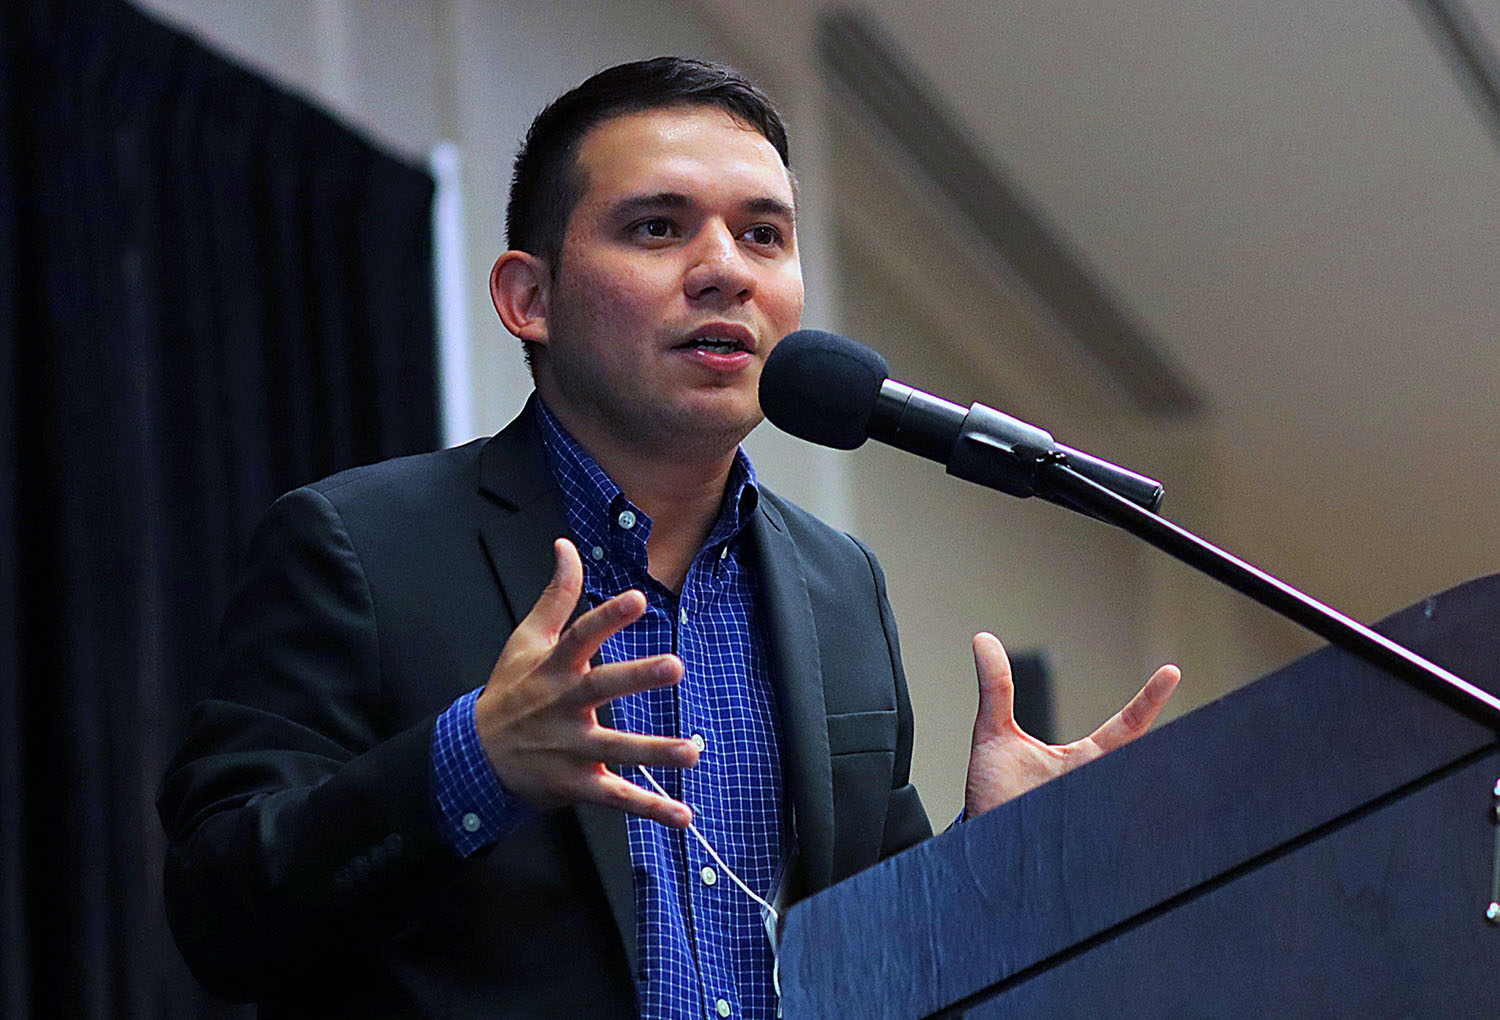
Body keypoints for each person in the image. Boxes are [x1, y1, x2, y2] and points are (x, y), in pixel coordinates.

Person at [158, 57, 1179, 1019]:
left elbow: (875, 959)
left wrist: (992, 861)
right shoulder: (360, 547)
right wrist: (473, 762)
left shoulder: (838, 586)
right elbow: (222, 915)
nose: (725, 272)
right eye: (656, 228)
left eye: (764, 235)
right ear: (530, 298)